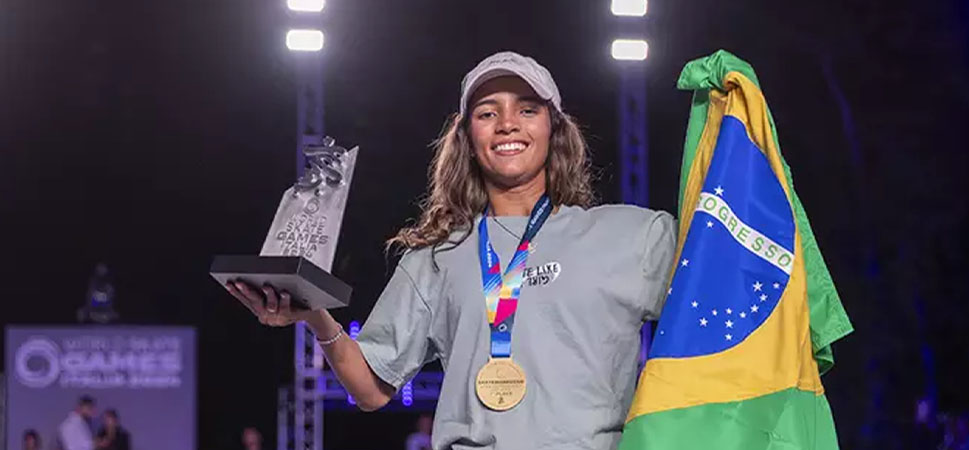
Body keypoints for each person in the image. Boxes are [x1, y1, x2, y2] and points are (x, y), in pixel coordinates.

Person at [225, 51, 676, 449]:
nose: (507, 124)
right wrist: (314, 315)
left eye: (527, 109)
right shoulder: (437, 257)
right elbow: (370, 389)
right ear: (467, 138)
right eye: (487, 112)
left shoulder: (634, 236)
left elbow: (725, 296)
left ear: (554, 128)